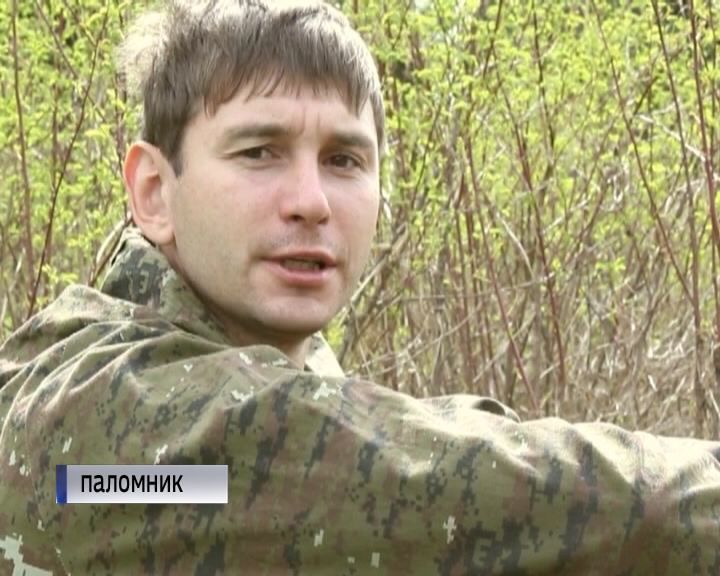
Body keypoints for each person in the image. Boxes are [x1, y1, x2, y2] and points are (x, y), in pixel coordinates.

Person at [0, 0, 718, 574]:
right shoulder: (91, 420)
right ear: (154, 192)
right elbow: (385, 477)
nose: (311, 201)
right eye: (260, 152)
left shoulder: (298, 380)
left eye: (343, 160)